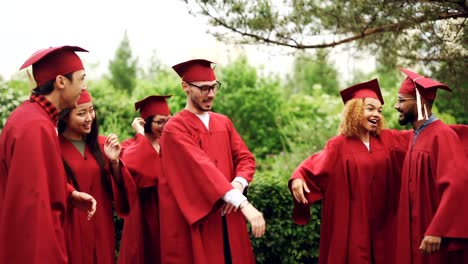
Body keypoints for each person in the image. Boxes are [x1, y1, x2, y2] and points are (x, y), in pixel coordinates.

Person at [289, 79, 411, 264]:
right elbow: (315, 164)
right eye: (370, 109)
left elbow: (425, 139)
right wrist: (299, 177)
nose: (376, 114)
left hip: (385, 224)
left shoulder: (389, 139)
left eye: (379, 110)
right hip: (354, 228)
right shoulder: (338, 146)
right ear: (354, 111)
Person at [159, 59, 266, 264]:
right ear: (185, 87)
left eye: (214, 87)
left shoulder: (223, 122)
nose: (211, 94)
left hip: (229, 218)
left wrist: (238, 183)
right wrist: (243, 204)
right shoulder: (175, 128)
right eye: (204, 88)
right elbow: (202, 168)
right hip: (200, 222)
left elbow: (245, 158)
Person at [0, 46, 96, 263]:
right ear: (61, 81)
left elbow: (35, 182)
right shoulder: (35, 126)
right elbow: (34, 208)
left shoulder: (35, 118)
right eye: (81, 79)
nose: (85, 86)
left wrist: (69, 193)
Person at [394, 68, 468, 264]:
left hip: (433, 240)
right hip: (416, 236)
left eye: (402, 100)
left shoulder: (441, 135)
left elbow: (458, 185)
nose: (396, 106)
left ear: (420, 101)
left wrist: (438, 228)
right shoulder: (417, 136)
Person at [58, 88, 135, 264]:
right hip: (71, 227)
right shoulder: (54, 147)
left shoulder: (102, 144)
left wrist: (114, 162)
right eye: (81, 113)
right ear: (64, 116)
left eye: (91, 110)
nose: (89, 118)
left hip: (101, 225)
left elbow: (121, 192)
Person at [118, 95, 172, 264]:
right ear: (145, 122)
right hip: (143, 211)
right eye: (160, 122)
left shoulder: (169, 144)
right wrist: (141, 135)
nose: (165, 126)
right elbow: (146, 174)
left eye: (168, 121)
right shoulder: (129, 146)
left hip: (168, 210)